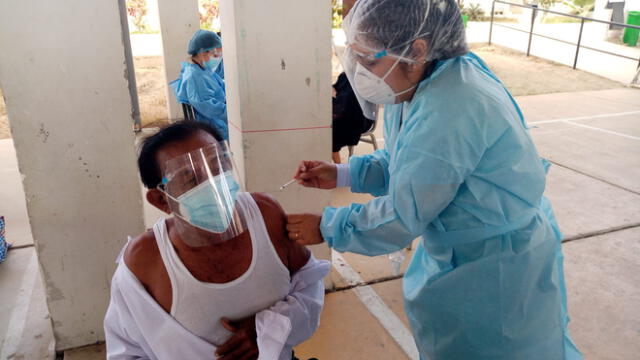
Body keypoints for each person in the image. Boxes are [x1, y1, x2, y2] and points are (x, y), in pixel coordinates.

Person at [285, 0, 582, 359]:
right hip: (463, 252)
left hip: (496, 271)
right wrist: (344, 173)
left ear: (417, 48)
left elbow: (404, 212)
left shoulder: (453, 105)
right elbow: (406, 158)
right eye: (356, 57)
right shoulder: (419, 83)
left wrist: (328, 227)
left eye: (370, 60)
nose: (362, 72)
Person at [104, 121, 329, 360]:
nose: (212, 183)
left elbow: (309, 283)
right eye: (190, 179)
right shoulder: (145, 262)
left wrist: (268, 329)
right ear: (161, 200)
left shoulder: (265, 215)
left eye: (218, 166)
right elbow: (126, 352)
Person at [170, 30, 229, 140]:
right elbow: (209, 106)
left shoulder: (204, 71)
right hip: (212, 129)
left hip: (216, 124)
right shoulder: (195, 76)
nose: (218, 59)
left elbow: (221, 85)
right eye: (215, 55)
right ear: (202, 53)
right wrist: (232, 114)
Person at [331, 72, 374, 164]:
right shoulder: (345, 75)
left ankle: (338, 166)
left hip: (360, 117)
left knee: (330, 131)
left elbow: (353, 102)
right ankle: (336, 163)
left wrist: (338, 97)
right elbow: (335, 88)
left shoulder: (366, 77)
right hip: (343, 112)